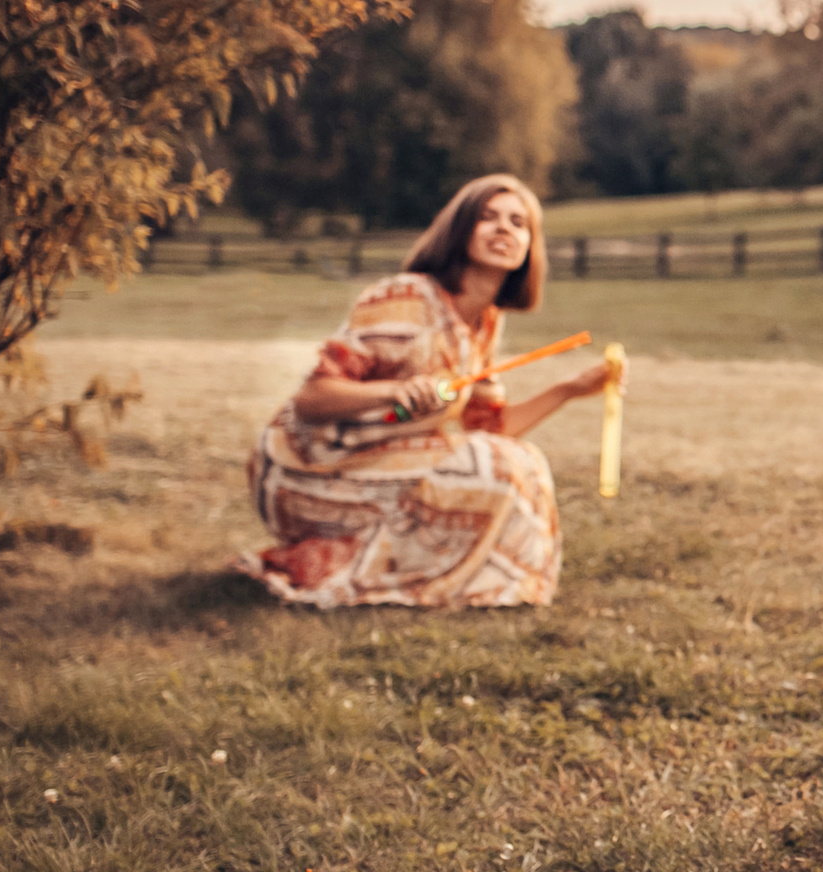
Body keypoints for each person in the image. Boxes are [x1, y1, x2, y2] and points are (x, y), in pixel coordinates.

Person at [239, 174, 621, 608]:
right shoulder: (406, 299)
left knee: (522, 462)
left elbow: (491, 430)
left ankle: (496, 589)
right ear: (460, 230)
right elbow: (311, 401)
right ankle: (366, 567)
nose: (503, 229)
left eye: (518, 223)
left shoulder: (485, 322)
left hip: (379, 464)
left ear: (530, 247)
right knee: (494, 465)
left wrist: (571, 389)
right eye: (487, 217)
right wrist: (392, 392)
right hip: (304, 469)